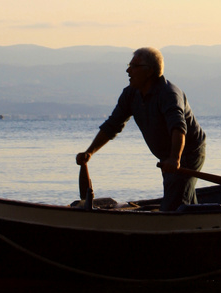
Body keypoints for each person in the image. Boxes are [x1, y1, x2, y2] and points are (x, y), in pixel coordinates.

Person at [76, 47, 206, 211]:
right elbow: (112, 126)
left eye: (134, 66)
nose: (128, 70)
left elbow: (178, 127)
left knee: (175, 202)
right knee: (180, 194)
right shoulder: (131, 94)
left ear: (149, 71)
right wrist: (89, 152)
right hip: (168, 155)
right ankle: (197, 218)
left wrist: (175, 158)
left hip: (188, 151)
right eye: (129, 65)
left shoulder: (169, 94)